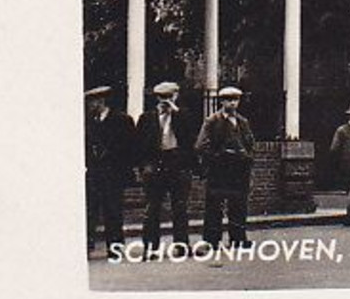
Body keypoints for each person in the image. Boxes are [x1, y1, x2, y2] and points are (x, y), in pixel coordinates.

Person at [134, 80, 197, 250]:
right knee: (153, 207)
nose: (165, 101)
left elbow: (191, 138)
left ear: (176, 96)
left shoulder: (184, 115)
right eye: (162, 97)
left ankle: (181, 245)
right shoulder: (147, 118)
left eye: (169, 96)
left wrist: (176, 112)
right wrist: (144, 166)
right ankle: (151, 247)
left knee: (180, 206)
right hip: (156, 164)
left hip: (178, 164)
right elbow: (139, 144)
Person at [196, 86, 257, 247]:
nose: (233, 103)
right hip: (219, 169)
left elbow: (250, 142)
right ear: (222, 101)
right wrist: (219, 156)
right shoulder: (212, 121)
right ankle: (212, 239)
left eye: (235, 100)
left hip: (239, 169)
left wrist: (247, 156)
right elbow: (201, 145)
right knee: (215, 205)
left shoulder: (243, 121)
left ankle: (238, 238)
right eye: (229, 100)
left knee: (239, 204)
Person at [84, 85, 134, 256]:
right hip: (93, 173)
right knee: (91, 211)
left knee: (113, 211)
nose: (90, 105)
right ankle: (87, 247)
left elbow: (129, 148)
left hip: (113, 173)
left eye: (92, 102)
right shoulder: (88, 121)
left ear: (101, 101)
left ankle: (115, 247)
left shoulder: (122, 120)